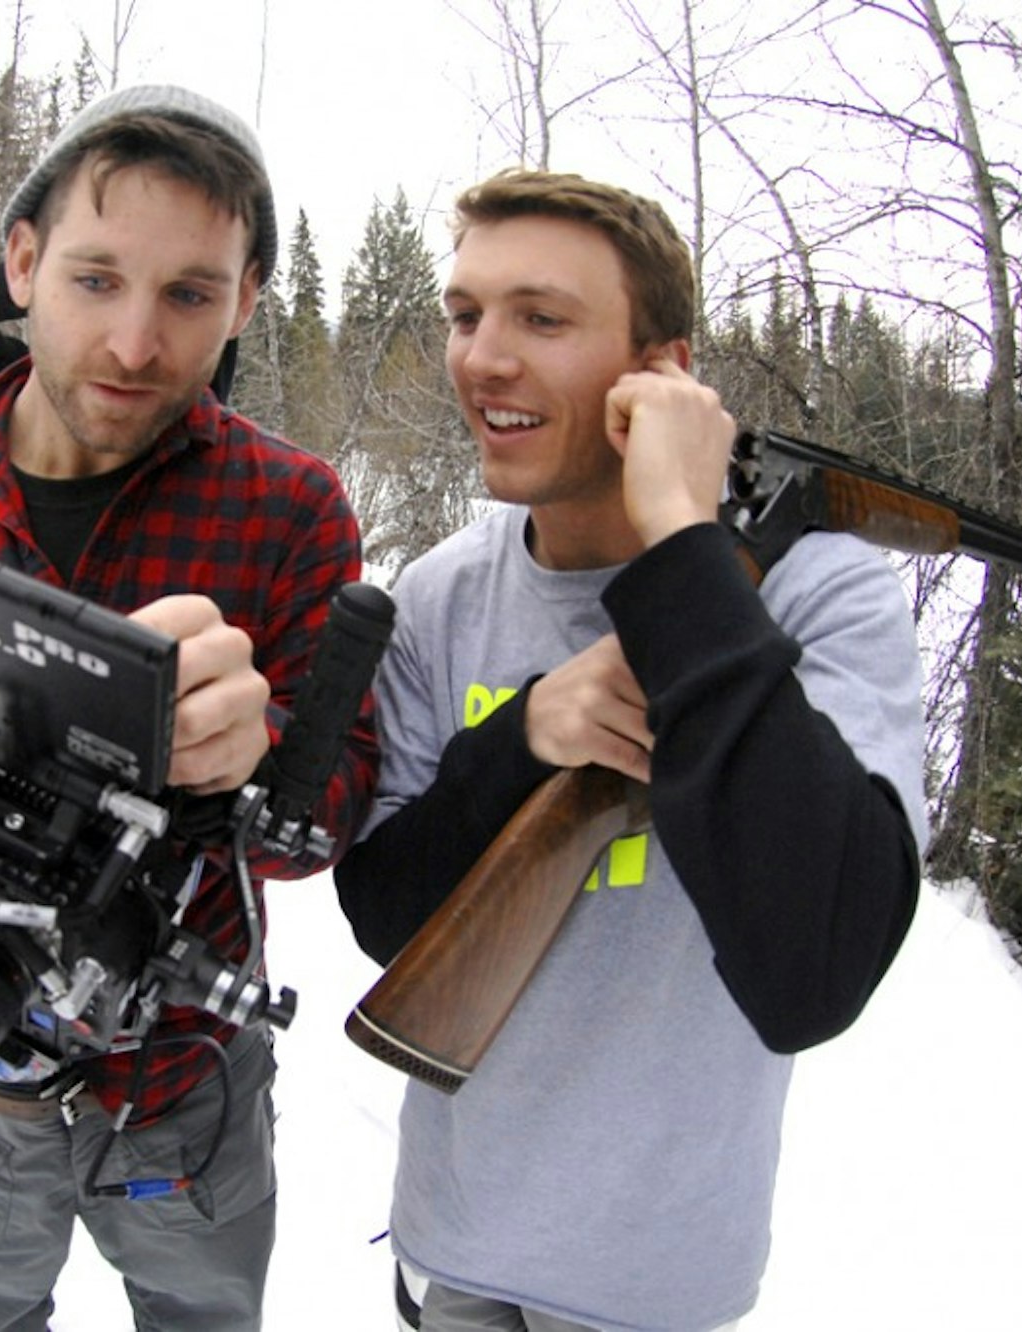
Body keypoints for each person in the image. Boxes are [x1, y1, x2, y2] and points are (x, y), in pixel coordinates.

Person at [0, 85, 376, 1330]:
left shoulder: (287, 513)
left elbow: (321, 821)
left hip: (178, 1080)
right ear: (22, 262)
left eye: (188, 296)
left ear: (246, 300)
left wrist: (257, 756)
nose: (132, 346)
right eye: (96, 279)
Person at [332, 171, 928, 1332]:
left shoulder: (824, 593)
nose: (481, 358)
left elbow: (815, 969)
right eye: (465, 315)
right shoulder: (442, 596)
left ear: (660, 371)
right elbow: (379, 914)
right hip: (450, 1239)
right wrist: (521, 740)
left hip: (654, 1282)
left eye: (540, 319)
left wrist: (682, 554)